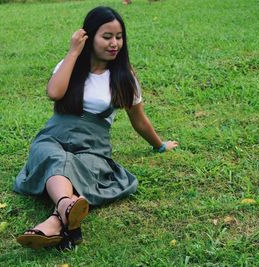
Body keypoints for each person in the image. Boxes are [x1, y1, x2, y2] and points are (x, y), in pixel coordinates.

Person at [14, 6, 178, 250]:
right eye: (107, 37)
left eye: (119, 37)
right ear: (89, 37)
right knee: (53, 156)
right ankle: (66, 210)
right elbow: (54, 92)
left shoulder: (123, 76)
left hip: (93, 147)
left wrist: (160, 145)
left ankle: (56, 217)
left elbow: (139, 120)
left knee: (73, 164)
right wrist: (73, 52)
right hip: (53, 137)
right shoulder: (70, 65)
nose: (115, 44)